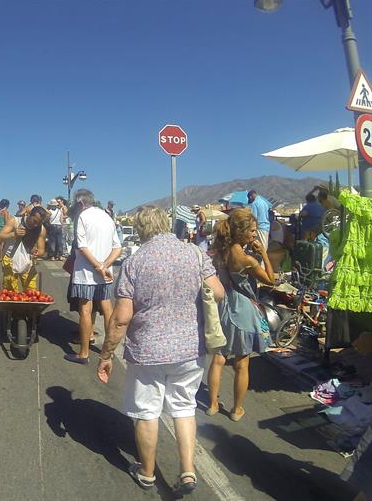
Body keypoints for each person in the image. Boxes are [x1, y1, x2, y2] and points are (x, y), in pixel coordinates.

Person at [97, 205, 224, 494]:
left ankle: (147, 472)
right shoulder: (194, 253)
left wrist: (106, 355)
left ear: (140, 230)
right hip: (190, 348)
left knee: (147, 411)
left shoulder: (135, 262)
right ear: (166, 224)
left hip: (148, 350)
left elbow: (121, 318)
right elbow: (218, 292)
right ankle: (188, 471)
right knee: (184, 407)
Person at [206, 208, 275, 422]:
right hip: (242, 309)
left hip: (223, 306)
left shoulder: (220, 250)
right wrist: (263, 253)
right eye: (252, 231)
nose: (255, 234)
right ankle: (236, 410)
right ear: (242, 232)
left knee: (218, 358)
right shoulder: (246, 259)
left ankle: (212, 404)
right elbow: (270, 280)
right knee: (242, 363)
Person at [65, 189, 122, 364]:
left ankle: (84, 353)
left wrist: (97, 267)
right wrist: (105, 266)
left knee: (85, 310)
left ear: (81, 203)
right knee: (107, 310)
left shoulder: (83, 217)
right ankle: (108, 352)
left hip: (86, 273)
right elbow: (117, 247)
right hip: (105, 274)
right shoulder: (107, 217)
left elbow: (82, 246)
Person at [0, 206, 48, 291]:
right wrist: (13, 234)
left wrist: (37, 253)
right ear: (29, 214)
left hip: (28, 261)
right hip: (10, 259)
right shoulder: (15, 221)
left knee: (31, 291)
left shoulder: (41, 229)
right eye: (34, 221)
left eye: (39, 223)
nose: (36, 225)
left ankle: (28, 304)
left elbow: (42, 250)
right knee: (10, 292)